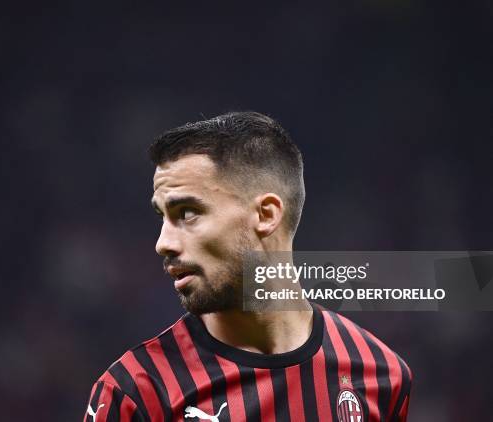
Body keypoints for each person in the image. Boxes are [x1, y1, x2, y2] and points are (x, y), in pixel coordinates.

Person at [84, 112, 412, 421]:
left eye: (187, 213)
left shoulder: (380, 374)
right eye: (163, 217)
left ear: (266, 215)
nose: (163, 243)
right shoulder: (135, 391)